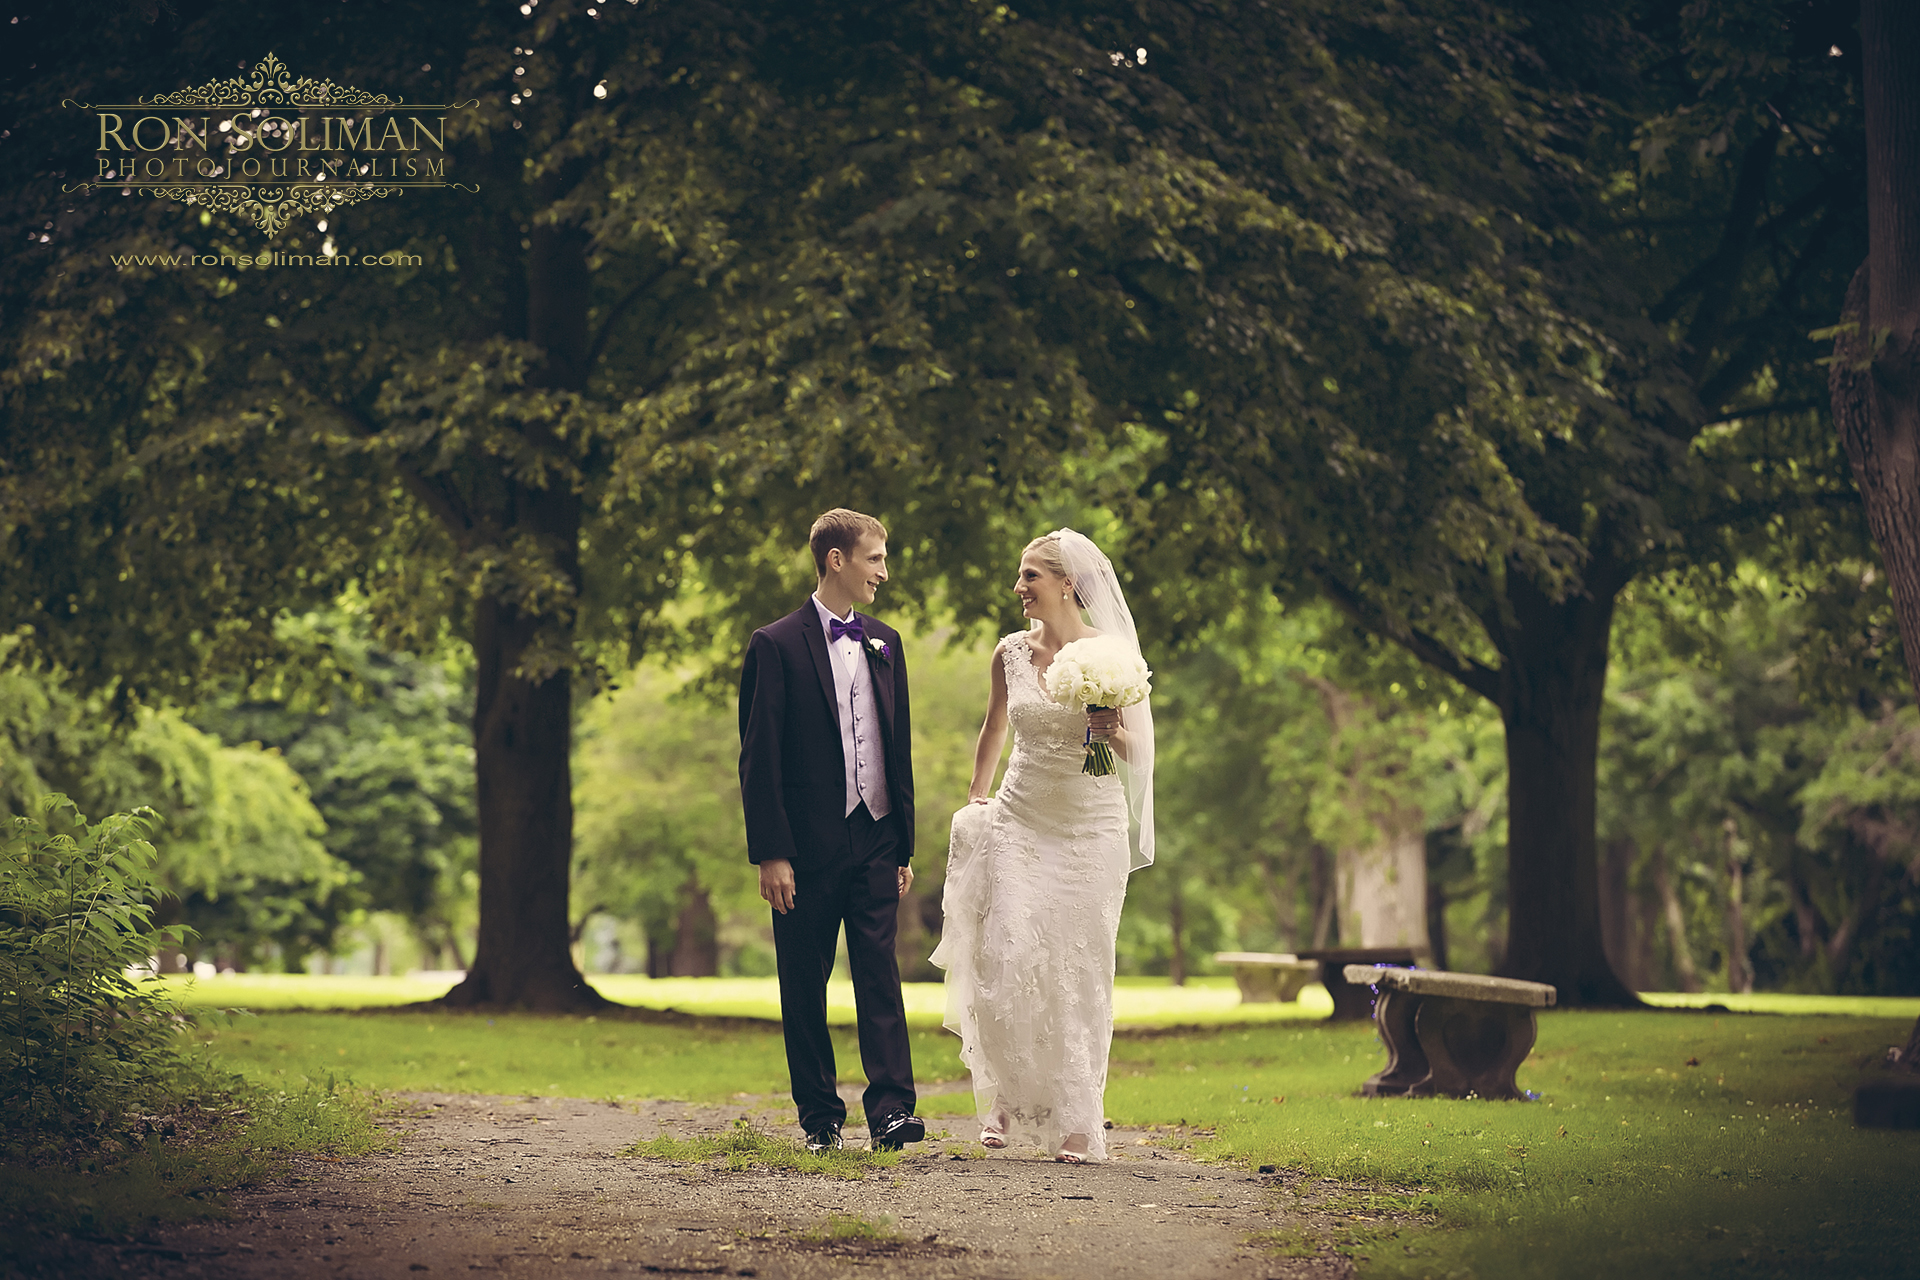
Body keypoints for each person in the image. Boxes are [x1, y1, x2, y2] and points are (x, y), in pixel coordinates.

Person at [930, 529, 1155, 1163]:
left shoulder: (1111, 657)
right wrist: (978, 792)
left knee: (1078, 971)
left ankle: (1080, 1120)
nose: (1019, 587)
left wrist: (1111, 730)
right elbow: (996, 723)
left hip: (1091, 828)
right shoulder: (1008, 652)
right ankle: (1010, 1095)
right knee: (1008, 954)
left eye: (1030, 576)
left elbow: (1140, 754)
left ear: (1066, 584)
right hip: (1022, 818)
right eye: (1020, 575)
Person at [738, 508, 924, 1154]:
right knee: (804, 981)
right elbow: (759, 758)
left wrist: (903, 843)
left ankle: (893, 1110)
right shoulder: (775, 644)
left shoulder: (886, 642)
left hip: (875, 836)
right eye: (875, 558)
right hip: (805, 848)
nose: (885, 571)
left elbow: (896, 747)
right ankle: (820, 1116)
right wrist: (771, 853)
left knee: (880, 974)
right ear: (837, 560)